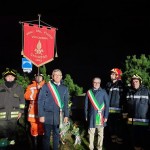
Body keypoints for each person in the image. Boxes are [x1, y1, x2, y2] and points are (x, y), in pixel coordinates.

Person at [38, 69, 69, 150]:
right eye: (55, 75)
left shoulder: (65, 88)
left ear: (61, 77)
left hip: (59, 116)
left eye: (59, 75)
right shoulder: (46, 86)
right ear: (52, 76)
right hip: (47, 115)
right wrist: (41, 115)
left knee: (56, 135)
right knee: (46, 136)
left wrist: (66, 115)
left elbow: (66, 103)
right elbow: (40, 101)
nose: (58, 76)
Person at [0, 69, 25, 150]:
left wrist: (21, 112)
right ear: (5, 78)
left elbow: (22, 101)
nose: (10, 78)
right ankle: (3, 146)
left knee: (12, 133)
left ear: (14, 78)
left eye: (12, 76)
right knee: (2, 133)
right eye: (8, 76)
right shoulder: (0, 87)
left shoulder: (19, 88)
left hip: (14, 116)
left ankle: (12, 147)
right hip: (1, 115)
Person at [125, 74, 150, 150]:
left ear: (140, 82)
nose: (134, 83)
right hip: (132, 123)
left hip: (144, 123)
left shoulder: (147, 91)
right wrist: (126, 118)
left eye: (136, 81)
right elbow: (126, 107)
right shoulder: (128, 92)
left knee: (145, 142)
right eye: (133, 82)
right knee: (135, 143)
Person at [84, 77, 109, 150]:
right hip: (92, 116)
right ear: (92, 83)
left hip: (101, 116)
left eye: (98, 82)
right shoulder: (89, 92)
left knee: (100, 133)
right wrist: (86, 115)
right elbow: (86, 105)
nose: (96, 84)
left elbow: (107, 105)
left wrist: (106, 116)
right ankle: (91, 147)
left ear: (100, 83)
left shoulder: (104, 92)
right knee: (91, 133)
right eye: (95, 82)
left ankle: (99, 148)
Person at [24, 73, 45, 150]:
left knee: (42, 129)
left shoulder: (46, 86)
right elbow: (26, 96)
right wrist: (36, 93)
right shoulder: (30, 86)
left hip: (43, 110)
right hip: (33, 110)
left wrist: (41, 90)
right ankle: (35, 146)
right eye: (37, 76)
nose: (38, 78)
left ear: (42, 78)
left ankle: (41, 146)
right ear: (35, 77)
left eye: (40, 76)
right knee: (34, 128)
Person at [105, 68, 125, 144]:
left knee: (118, 128)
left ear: (117, 75)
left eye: (113, 74)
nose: (111, 75)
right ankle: (113, 142)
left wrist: (124, 110)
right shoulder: (108, 84)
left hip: (118, 112)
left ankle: (119, 143)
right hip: (109, 111)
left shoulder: (121, 85)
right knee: (110, 128)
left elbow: (124, 99)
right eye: (111, 74)